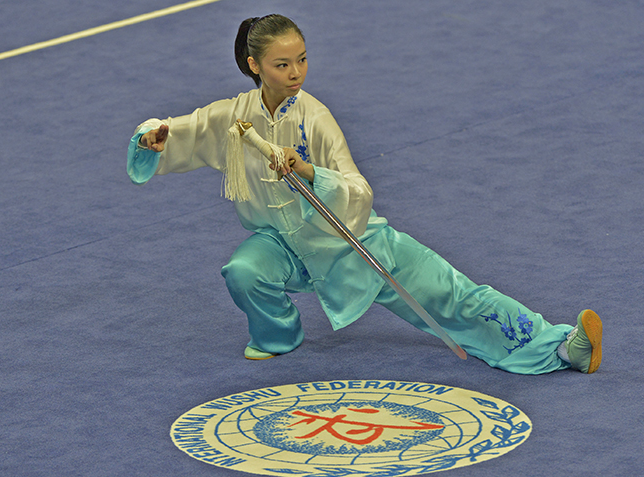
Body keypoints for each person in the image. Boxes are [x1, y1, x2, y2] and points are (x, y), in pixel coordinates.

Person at [127, 14, 602, 375]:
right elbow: (177, 132)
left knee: (452, 292)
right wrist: (154, 135)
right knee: (243, 271)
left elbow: (358, 189)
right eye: (282, 63)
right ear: (254, 65)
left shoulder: (317, 117)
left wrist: (309, 169)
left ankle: (557, 346)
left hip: (348, 240)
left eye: (303, 59)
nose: (296, 72)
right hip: (280, 245)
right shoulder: (230, 118)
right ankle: (278, 335)